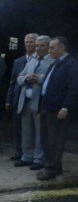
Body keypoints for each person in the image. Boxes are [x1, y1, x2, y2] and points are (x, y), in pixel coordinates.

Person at [37, 37, 77, 181]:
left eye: (52, 48)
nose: (49, 51)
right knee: (47, 140)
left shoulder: (71, 65)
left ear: (62, 48)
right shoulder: (55, 64)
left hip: (58, 110)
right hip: (47, 108)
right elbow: (46, 87)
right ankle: (55, 167)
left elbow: (73, 89)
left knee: (55, 141)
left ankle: (51, 169)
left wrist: (66, 107)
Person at [14, 35, 52, 170]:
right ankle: (26, 156)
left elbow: (53, 79)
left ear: (48, 47)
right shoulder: (31, 61)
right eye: (37, 46)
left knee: (39, 131)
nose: (38, 48)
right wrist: (26, 79)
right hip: (25, 100)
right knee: (26, 131)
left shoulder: (52, 61)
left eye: (42, 46)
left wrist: (39, 79)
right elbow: (19, 77)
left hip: (40, 102)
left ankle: (38, 158)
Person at [6, 33, 38, 161]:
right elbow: (13, 81)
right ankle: (20, 151)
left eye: (31, 42)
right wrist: (9, 99)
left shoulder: (41, 61)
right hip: (18, 98)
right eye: (27, 42)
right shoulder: (18, 61)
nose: (29, 44)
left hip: (33, 98)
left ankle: (34, 154)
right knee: (18, 127)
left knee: (33, 128)